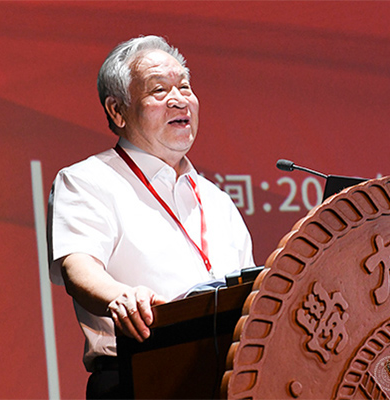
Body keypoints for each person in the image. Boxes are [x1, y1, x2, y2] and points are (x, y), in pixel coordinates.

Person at [47, 35, 255, 398]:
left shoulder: (217, 200)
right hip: (141, 378)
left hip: (228, 382)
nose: (179, 99)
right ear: (117, 111)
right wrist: (121, 297)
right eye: (159, 90)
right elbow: (78, 266)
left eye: (185, 87)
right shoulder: (87, 181)